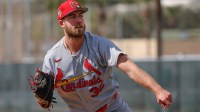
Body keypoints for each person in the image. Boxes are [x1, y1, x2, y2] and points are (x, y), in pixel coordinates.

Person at [42, 0, 172, 111]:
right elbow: (44, 102)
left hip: (112, 108)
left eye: (80, 15)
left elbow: (131, 69)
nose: (78, 20)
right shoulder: (52, 58)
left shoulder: (99, 45)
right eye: (72, 16)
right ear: (61, 23)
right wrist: (41, 97)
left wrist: (158, 90)